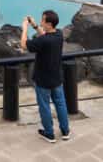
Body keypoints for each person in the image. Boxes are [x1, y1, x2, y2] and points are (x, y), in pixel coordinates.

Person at [21, 10, 70, 143]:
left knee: (44, 106)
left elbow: (24, 44)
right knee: (60, 104)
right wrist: (35, 26)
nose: (41, 22)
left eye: (43, 21)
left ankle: (49, 133)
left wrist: (25, 28)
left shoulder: (42, 41)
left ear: (49, 24)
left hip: (43, 80)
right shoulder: (59, 35)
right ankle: (65, 131)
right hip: (56, 77)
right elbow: (45, 35)